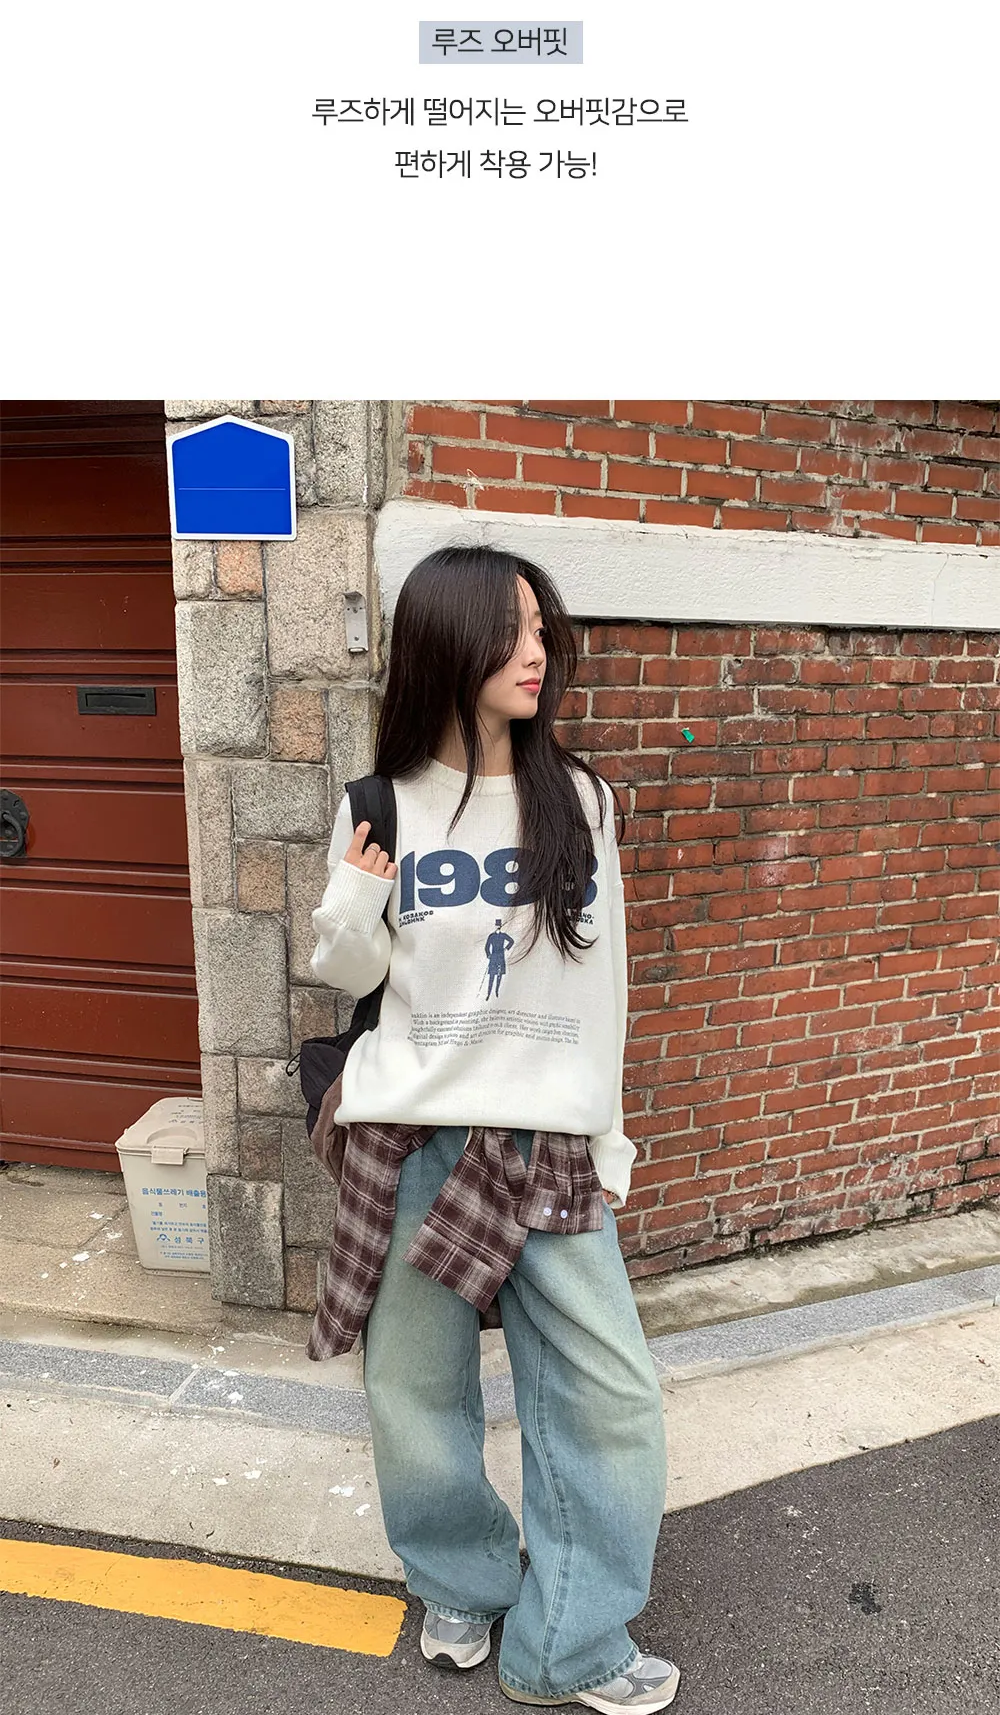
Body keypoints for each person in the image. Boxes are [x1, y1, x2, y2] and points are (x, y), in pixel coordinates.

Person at [306, 540, 680, 1709]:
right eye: (511, 628)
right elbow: (346, 970)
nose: (536, 650)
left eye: (541, 628)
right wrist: (358, 891)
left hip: (547, 1147)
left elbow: (606, 985)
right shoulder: (380, 802)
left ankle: (567, 1638)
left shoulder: (581, 799)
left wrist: (609, 1139)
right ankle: (459, 1578)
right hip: (412, 1138)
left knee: (608, 1398)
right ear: (447, 641)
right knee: (415, 1393)